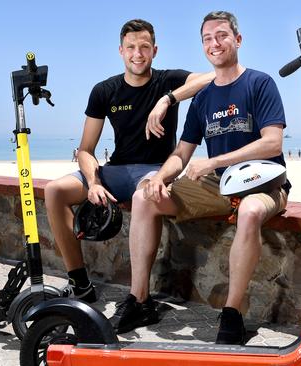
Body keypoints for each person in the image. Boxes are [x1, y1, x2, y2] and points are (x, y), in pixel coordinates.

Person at [112, 11, 291, 343]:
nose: (215, 43)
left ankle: (232, 314)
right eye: (207, 39)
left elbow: (272, 143)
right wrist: (159, 177)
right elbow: (182, 154)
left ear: (237, 40)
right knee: (143, 197)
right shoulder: (203, 97)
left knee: (250, 213)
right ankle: (139, 300)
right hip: (217, 184)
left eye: (222, 35)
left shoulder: (259, 82)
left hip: (264, 181)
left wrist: (214, 161)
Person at [44, 19, 213, 303]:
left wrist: (168, 100)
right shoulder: (104, 91)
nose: (138, 54)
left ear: (154, 50)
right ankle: (80, 283)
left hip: (154, 170)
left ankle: (139, 297)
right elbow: (85, 149)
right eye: (131, 47)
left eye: (144, 47)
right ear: (121, 51)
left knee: (143, 195)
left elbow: (211, 77)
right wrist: (94, 183)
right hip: (115, 172)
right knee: (54, 190)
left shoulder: (167, 80)